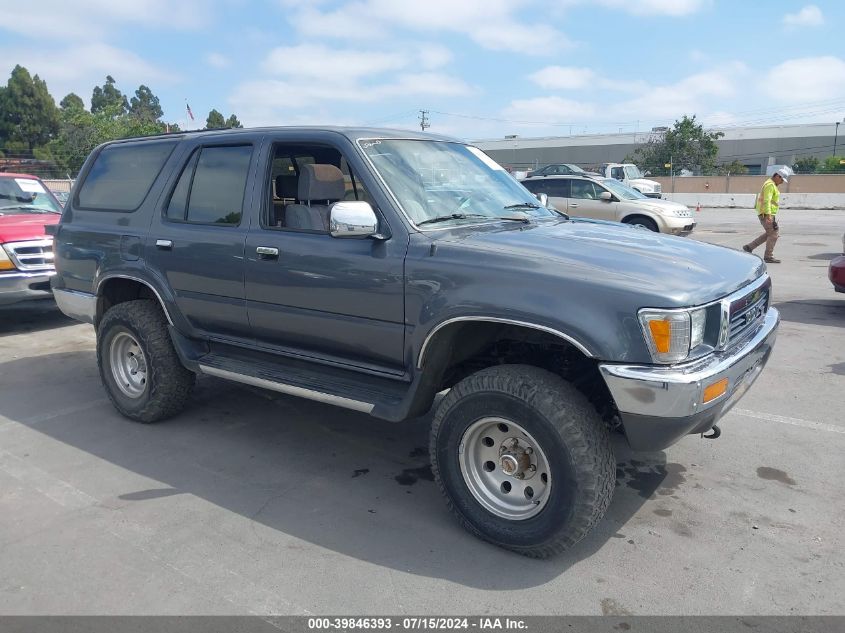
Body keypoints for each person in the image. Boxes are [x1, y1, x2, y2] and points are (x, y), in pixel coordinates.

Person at [743, 167, 789, 263]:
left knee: (770, 233)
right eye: (781, 179)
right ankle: (768, 256)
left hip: (767, 213)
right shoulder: (770, 185)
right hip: (766, 214)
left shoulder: (772, 184)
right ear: (777, 176)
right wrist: (768, 215)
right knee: (774, 234)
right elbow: (767, 200)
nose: (782, 182)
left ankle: (749, 247)